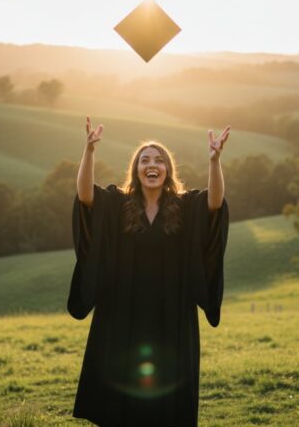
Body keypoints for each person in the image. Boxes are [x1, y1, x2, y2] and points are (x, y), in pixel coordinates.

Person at [68, 116, 231, 427]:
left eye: (159, 160)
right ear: (137, 170)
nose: (151, 164)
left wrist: (214, 160)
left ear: (167, 170)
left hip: (172, 313)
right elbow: (86, 196)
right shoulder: (118, 203)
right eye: (145, 160)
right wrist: (88, 151)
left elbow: (215, 204)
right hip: (122, 311)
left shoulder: (185, 205)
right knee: (121, 391)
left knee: (169, 398)